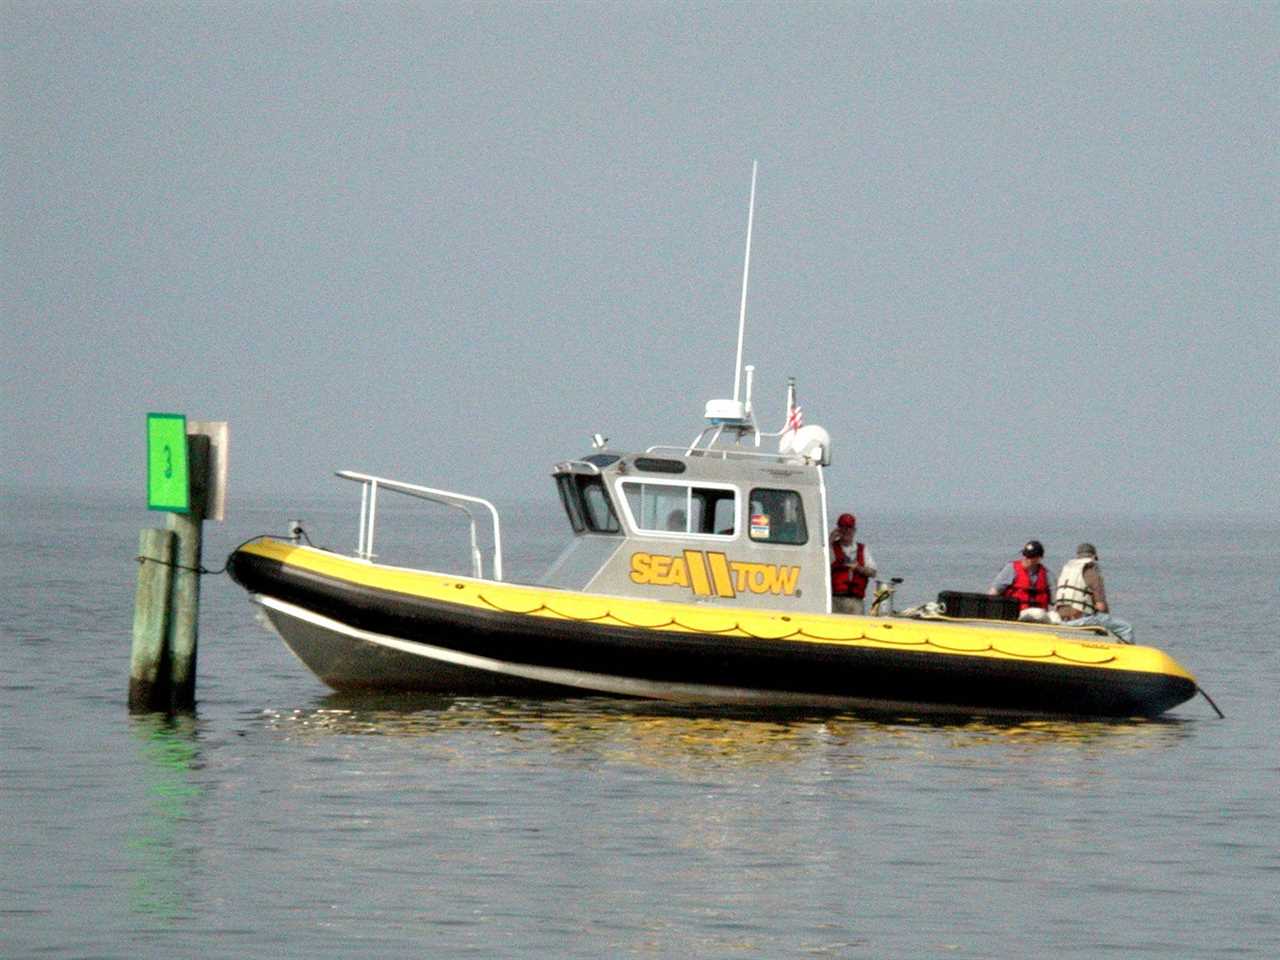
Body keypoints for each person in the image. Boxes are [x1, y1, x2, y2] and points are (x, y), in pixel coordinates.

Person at [1054, 542, 1134, 643]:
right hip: (1080, 620)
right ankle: (1126, 656)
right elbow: (1101, 606)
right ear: (1093, 556)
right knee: (1126, 628)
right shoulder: (1090, 569)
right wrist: (1106, 615)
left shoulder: (1066, 569)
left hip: (1060, 618)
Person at [830, 512, 876, 614]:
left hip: (856, 602)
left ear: (854, 530)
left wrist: (859, 568)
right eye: (843, 527)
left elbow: (873, 572)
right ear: (838, 530)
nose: (846, 531)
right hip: (835, 600)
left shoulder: (862, 549)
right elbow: (821, 567)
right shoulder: (831, 548)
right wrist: (829, 541)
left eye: (849, 527)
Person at [988, 540, 1053, 613]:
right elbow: (994, 592)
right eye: (1025, 554)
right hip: (1015, 613)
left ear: (1039, 558)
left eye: (1030, 556)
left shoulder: (1047, 574)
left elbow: (1054, 600)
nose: (1026, 558)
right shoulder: (1011, 569)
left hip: (1039, 615)